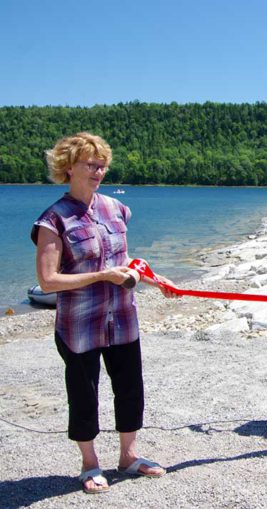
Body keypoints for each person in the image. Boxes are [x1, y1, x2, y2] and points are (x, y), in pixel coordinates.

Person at [32, 132, 177, 494]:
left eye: (102, 166)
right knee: (84, 393)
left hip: (122, 318)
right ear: (68, 168)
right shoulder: (53, 219)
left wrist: (153, 278)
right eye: (90, 165)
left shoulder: (116, 208)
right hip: (79, 324)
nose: (98, 172)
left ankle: (129, 457)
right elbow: (48, 281)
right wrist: (103, 276)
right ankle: (89, 464)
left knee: (130, 389)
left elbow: (123, 261)